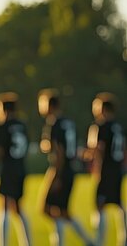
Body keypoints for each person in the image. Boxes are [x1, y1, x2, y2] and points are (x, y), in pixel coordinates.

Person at [38, 89, 93, 246]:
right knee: (61, 211)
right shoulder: (69, 122)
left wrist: (56, 174)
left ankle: (82, 241)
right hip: (70, 168)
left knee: (48, 208)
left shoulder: (53, 123)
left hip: (60, 169)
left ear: (49, 105)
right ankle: (87, 241)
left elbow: (60, 151)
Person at [86, 92, 126, 246]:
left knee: (99, 204)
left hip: (106, 169)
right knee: (118, 204)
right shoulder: (118, 126)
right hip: (117, 168)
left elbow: (99, 148)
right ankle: (123, 239)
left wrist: (93, 162)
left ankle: (99, 240)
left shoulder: (101, 126)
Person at [0, 92, 31, 246]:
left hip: (8, 169)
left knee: (4, 208)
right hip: (20, 168)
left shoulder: (2, 126)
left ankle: (1, 243)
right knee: (18, 208)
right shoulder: (22, 125)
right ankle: (27, 242)